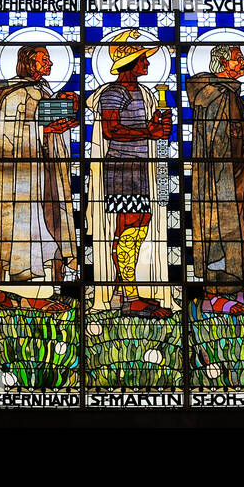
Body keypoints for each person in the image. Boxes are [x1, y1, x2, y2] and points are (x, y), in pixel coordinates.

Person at [186, 43, 244, 315]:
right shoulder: (213, 95)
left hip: (242, 175)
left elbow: (234, 133)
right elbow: (216, 140)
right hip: (220, 179)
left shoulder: (231, 94)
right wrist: (243, 130)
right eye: (239, 59)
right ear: (224, 63)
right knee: (219, 233)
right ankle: (214, 296)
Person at [88, 31, 172, 317]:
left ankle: (125, 292)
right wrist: (150, 130)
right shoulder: (114, 93)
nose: (147, 64)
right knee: (128, 227)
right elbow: (111, 130)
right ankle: (130, 299)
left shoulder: (141, 93)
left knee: (139, 226)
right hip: (122, 167)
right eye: (142, 59)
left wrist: (158, 125)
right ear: (130, 63)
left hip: (140, 166)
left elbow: (143, 128)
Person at [0, 45, 78, 312]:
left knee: (48, 225)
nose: (50, 64)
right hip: (22, 180)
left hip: (44, 173)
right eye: (44, 60)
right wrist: (49, 127)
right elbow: (17, 132)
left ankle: (26, 291)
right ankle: (28, 294)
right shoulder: (14, 94)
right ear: (29, 63)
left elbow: (44, 125)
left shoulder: (41, 91)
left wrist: (62, 121)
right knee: (26, 231)